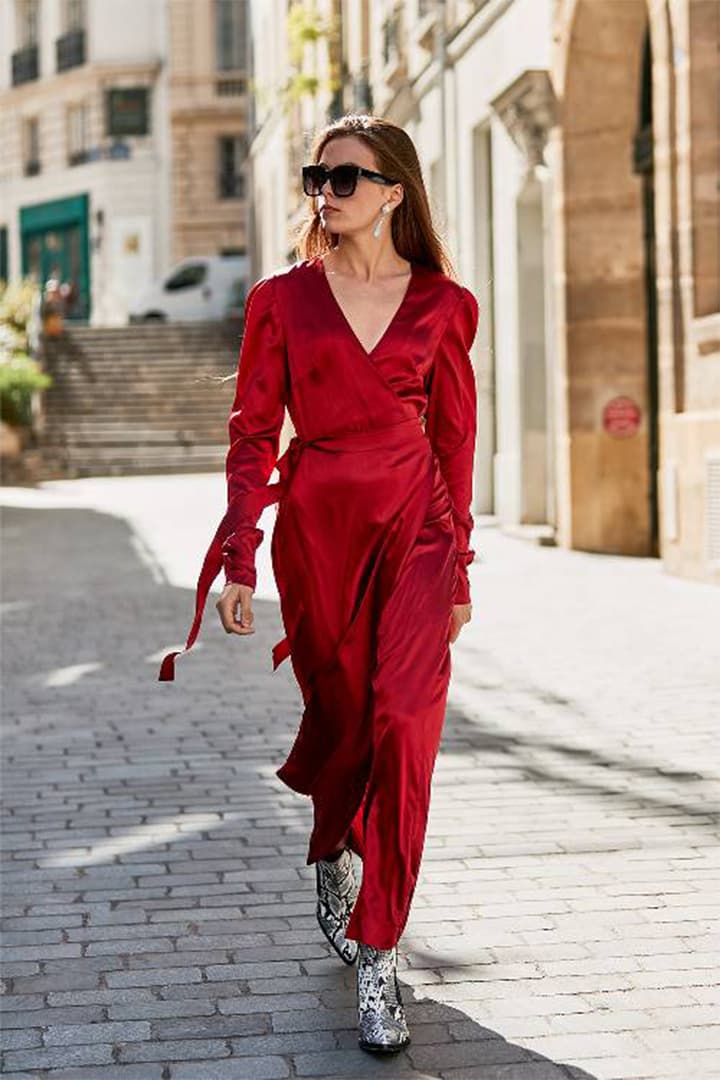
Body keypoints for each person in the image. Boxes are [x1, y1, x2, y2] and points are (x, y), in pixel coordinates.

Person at [158, 113, 479, 1055]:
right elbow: (254, 434)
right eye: (318, 178)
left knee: (405, 726)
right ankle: (334, 841)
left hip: (416, 530)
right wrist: (237, 554)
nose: (327, 193)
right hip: (319, 533)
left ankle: (379, 953)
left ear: (394, 193)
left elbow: (454, 444)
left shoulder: (445, 306)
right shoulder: (280, 302)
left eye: (347, 179)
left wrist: (457, 562)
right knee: (344, 720)